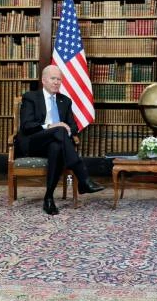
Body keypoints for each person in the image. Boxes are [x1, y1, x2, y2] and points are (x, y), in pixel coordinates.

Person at [17, 65, 104, 215]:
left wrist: (66, 130)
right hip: (33, 142)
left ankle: (49, 198)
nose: (57, 82)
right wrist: (52, 126)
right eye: (53, 79)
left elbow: (74, 127)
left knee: (56, 146)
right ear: (44, 80)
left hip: (55, 143)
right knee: (59, 130)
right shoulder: (31, 97)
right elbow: (26, 126)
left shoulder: (65, 101)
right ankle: (82, 177)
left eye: (59, 79)